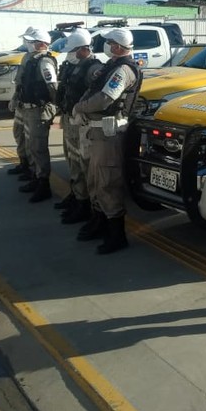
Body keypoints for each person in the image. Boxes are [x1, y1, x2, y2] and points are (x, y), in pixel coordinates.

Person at [72, 28, 142, 255]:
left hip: (109, 133)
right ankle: (100, 222)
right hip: (96, 131)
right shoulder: (111, 66)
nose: (108, 46)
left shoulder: (123, 70)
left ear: (119, 46)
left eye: (111, 43)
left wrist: (80, 107)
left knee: (107, 182)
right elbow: (93, 90)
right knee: (94, 180)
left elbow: (105, 99)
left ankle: (116, 234)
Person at [55, 29, 102, 224]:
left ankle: (85, 203)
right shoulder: (73, 65)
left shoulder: (93, 69)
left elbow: (97, 97)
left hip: (82, 122)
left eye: (73, 51)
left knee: (82, 164)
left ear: (84, 49)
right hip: (69, 118)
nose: (69, 55)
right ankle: (77, 195)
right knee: (72, 159)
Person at [17, 28, 59, 203]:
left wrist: (56, 106)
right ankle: (36, 176)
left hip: (39, 110)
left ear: (42, 44)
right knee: (31, 145)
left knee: (38, 147)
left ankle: (43, 184)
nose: (28, 44)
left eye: (32, 41)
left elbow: (53, 87)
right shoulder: (32, 59)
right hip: (29, 109)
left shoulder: (44, 62)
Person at [8, 27, 40, 180]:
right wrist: (15, 98)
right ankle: (24, 162)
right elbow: (20, 81)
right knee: (18, 132)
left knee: (31, 139)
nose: (26, 43)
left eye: (28, 40)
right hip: (22, 100)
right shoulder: (26, 57)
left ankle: (33, 169)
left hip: (33, 105)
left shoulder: (41, 59)